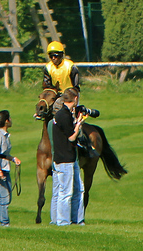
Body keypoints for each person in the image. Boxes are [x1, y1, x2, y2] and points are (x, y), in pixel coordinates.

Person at [50, 88, 85, 226]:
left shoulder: (61, 114)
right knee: (66, 192)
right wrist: (79, 125)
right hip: (66, 159)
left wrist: (75, 123)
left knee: (67, 190)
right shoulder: (64, 115)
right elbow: (71, 137)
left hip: (61, 158)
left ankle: (67, 220)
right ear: (75, 98)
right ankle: (64, 222)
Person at [42, 41, 81, 114]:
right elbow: (47, 85)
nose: (53, 58)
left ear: (61, 55)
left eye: (55, 56)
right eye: (51, 56)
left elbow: (76, 86)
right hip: (55, 94)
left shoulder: (70, 66)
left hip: (70, 94)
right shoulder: (48, 67)